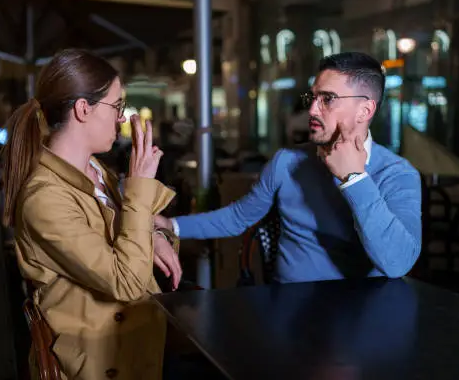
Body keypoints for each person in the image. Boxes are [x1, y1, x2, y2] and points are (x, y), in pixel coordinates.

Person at [157, 52, 422, 283]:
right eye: (313, 97)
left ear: (364, 110)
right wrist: (171, 225)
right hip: (289, 307)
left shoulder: (397, 174)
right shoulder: (287, 162)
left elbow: (397, 263)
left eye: (327, 99)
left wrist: (355, 179)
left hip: (365, 315)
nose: (312, 110)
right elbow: (239, 217)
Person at [2, 49, 181, 380]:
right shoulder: (44, 198)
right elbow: (126, 282)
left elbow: (135, 242)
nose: (122, 118)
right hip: (99, 364)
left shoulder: (98, 171)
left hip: (138, 347)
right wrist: (140, 186)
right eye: (117, 106)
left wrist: (154, 235)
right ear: (83, 109)